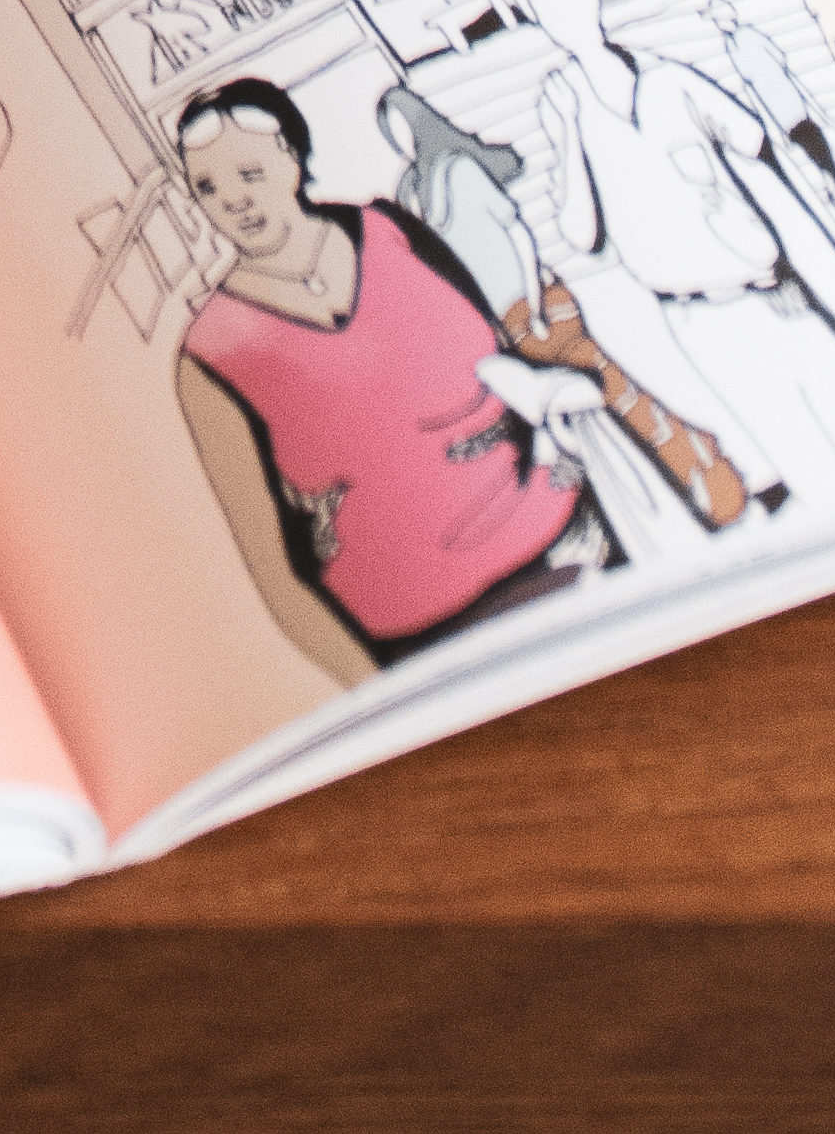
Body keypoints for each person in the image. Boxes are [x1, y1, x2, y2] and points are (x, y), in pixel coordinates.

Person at [166, 71, 612, 684]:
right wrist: (381, 702)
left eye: (249, 173)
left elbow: (516, 356)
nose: (235, 200)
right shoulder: (210, 355)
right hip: (430, 643)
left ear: (292, 159)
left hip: (569, 541)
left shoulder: (392, 231)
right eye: (209, 187)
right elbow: (276, 576)